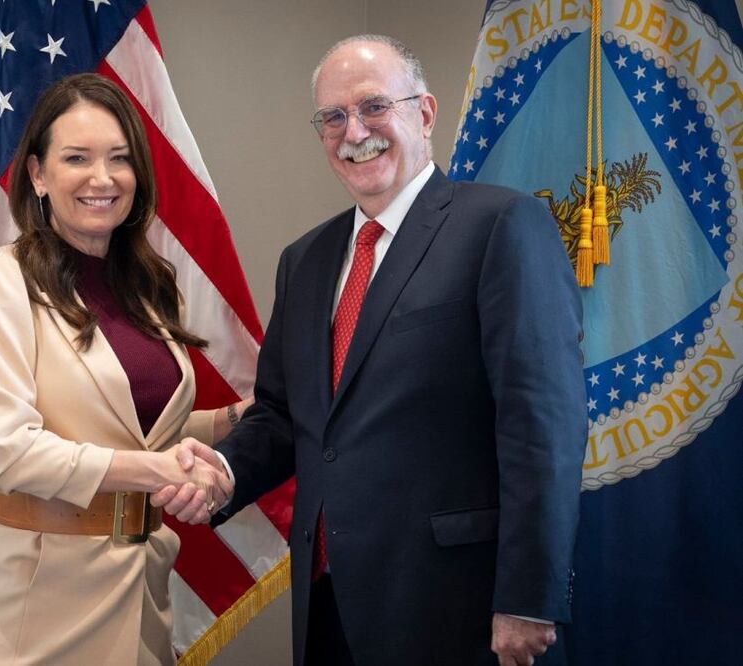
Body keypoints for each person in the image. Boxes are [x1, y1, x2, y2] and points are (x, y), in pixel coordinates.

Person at [157, 35, 586, 666]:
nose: (353, 131)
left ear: (425, 113)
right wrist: (224, 471)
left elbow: (542, 423)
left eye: (374, 106)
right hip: (327, 601)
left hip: (456, 605)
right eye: (333, 117)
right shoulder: (304, 260)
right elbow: (284, 415)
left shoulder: (500, 226)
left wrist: (528, 595)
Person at [0, 73, 247, 666]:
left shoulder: (152, 288)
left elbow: (133, 431)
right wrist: (159, 470)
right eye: (77, 158)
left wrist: (232, 420)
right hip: (38, 604)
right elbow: (5, 450)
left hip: (144, 592)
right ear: (37, 174)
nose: (102, 178)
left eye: (120, 158)